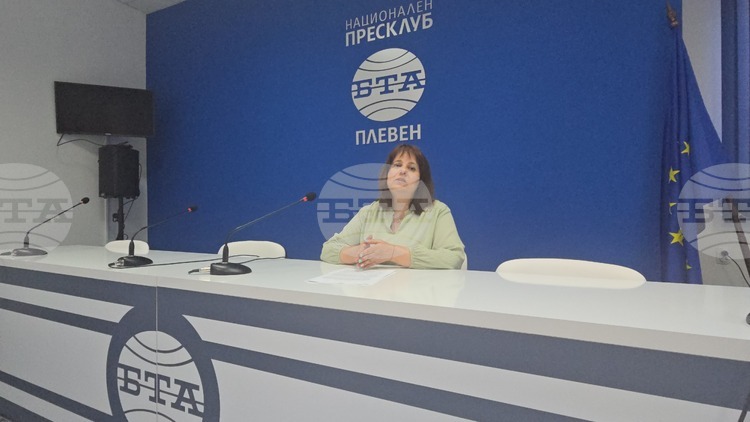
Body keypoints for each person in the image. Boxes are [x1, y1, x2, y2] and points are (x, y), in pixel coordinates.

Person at [320, 144, 466, 270]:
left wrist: (393, 253)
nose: (402, 171)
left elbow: (454, 258)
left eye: (411, 168)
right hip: (371, 290)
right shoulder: (369, 212)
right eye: (397, 165)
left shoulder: (438, 211)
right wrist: (359, 253)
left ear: (420, 181)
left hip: (417, 291)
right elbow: (328, 250)